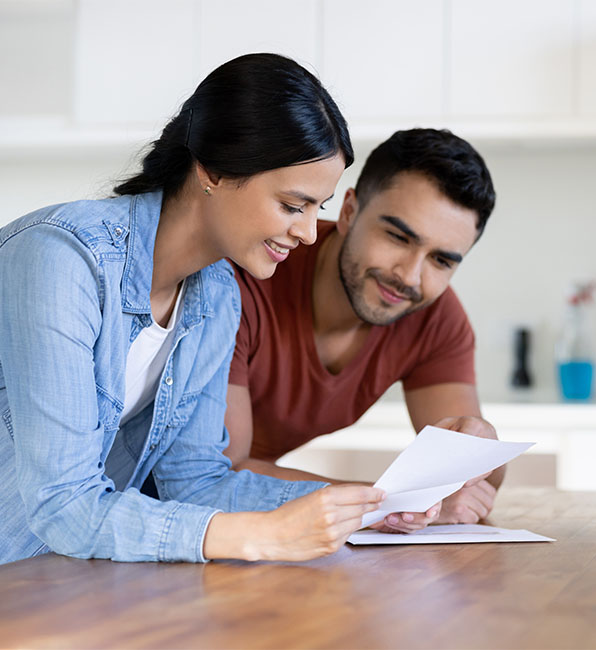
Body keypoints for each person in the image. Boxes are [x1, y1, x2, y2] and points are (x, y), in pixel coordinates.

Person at [0, 53, 386, 566]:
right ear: (213, 171)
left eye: (320, 207)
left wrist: (374, 505)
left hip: (37, 578)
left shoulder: (218, 294)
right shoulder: (63, 258)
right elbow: (65, 504)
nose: (309, 232)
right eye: (294, 206)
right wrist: (262, 537)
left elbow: (195, 482)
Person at [224, 128, 501, 533]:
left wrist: (481, 445)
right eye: (397, 237)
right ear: (349, 211)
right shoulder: (247, 279)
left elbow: (479, 488)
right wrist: (388, 503)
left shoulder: (434, 316)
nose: (409, 276)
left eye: (441, 261)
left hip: (255, 524)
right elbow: (215, 476)